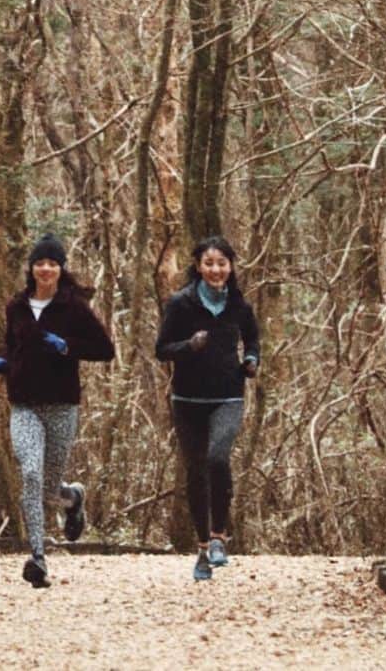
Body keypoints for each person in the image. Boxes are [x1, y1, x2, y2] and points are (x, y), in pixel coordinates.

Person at [0, 232, 115, 589]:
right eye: (40, 263)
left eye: (53, 263)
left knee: (48, 487)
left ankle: (73, 498)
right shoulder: (16, 306)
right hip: (24, 404)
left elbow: (105, 350)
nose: (46, 269)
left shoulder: (73, 307)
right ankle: (38, 558)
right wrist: (2, 362)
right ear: (31, 268)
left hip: (61, 405)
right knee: (30, 474)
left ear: (61, 269)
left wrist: (67, 347)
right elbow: (13, 346)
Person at [155, 235, 260, 581]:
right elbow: (162, 348)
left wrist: (251, 360)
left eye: (222, 264)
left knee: (218, 458)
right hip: (187, 400)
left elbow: (253, 340)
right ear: (198, 267)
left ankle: (219, 538)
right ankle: (202, 548)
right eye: (209, 264)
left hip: (228, 395)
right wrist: (189, 345)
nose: (216, 270)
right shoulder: (181, 303)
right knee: (196, 472)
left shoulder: (239, 305)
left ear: (230, 267)